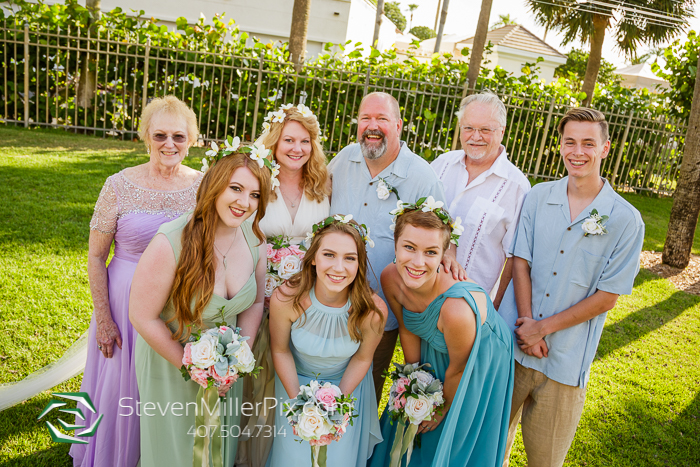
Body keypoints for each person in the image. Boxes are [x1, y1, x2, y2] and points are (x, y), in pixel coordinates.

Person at [498, 108, 644, 467]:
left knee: (545, 461)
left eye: (588, 143)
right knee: (489, 450)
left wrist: (541, 330)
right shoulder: (537, 196)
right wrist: (527, 324)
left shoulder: (626, 220)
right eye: (570, 142)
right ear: (560, 146)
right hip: (513, 348)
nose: (578, 151)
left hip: (565, 363)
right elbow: (520, 261)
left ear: (605, 148)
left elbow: (607, 297)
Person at [70, 96, 202, 467]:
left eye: (179, 135)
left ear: (192, 139)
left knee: (164, 384)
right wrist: (105, 318)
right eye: (160, 135)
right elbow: (96, 255)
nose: (169, 144)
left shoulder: (203, 186)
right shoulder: (119, 185)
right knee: (118, 388)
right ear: (145, 136)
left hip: (177, 302)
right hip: (124, 299)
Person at [129, 150, 271, 466]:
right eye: (235, 188)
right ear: (214, 185)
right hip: (171, 363)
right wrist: (191, 366)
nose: (244, 202)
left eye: (255, 194)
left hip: (225, 373)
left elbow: (256, 300)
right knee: (176, 451)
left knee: (219, 446)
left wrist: (238, 358)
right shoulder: (171, 241)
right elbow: (141, 315)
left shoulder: (256, 242)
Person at [368, 201, 514, 467]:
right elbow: (408, 326)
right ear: (395, 244)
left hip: (476, 357)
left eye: (431, 252)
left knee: (445, 434)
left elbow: (458, 369)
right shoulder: (389, 277)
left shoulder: (456, 310)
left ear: (445, 255)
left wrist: (437, 410)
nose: (417, 262)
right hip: (436, 341)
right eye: (409, 247)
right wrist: (415, 383)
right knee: (405, 417)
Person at [327, 91, 451, 402]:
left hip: (381, 313)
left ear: (398, 125)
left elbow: (440, 239)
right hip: (330, 304)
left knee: (364, 395)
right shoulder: (342, 160)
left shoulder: (422, 176)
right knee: (324, 383)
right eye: (365, 118)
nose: (372, 125)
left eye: (381, 119)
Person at [238, 103, 331, 467]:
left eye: (304, 141)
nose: (296, 148)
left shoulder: (322, 182)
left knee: (288, 371)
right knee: (256, 371)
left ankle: (282, 451)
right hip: (260, 291)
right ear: (274, 143)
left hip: (307, 296)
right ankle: (245, 452)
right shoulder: (259, 181)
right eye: (288, 139)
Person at [266, 216, 387, 467]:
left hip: (346, 389)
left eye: (350, 258)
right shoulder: (286, 299)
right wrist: (299, 407)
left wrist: (335, 408)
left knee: (336, 458)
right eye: (329, 255)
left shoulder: (372, 311)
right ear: (313, 258)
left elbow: (363, 358)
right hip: (294, 384)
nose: (339, 267)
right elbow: (280, 351)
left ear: (360, 263)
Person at [431, 91, 530, 309]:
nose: (475, 137)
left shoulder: (517, 187)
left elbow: (514, 258)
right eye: (468, 128)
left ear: (502, 131)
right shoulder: (441, 165)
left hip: (471, 305)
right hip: (420, 295)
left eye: (485, 130)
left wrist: (496, 307)